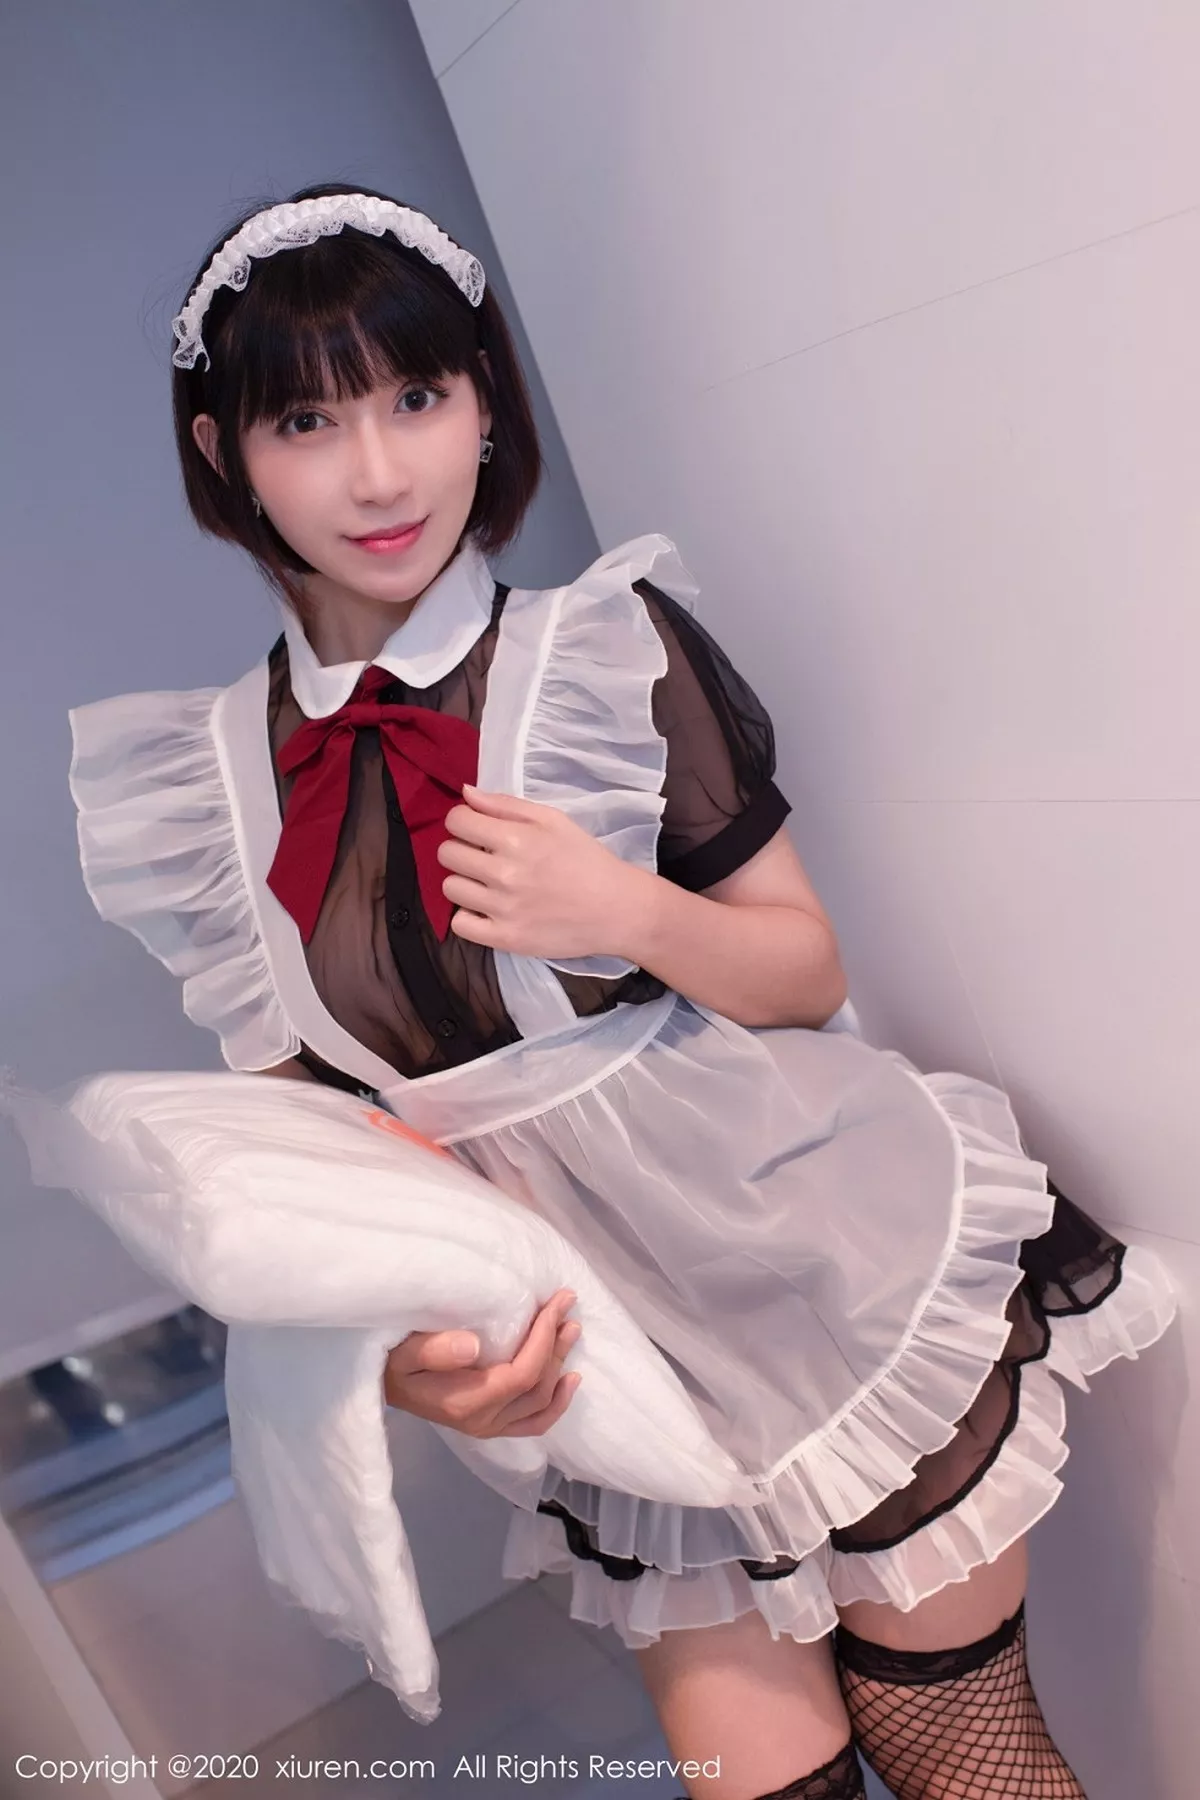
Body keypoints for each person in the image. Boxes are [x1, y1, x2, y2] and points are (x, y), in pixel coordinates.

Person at [71, 180, 1173, 1800]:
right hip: (617, 1373)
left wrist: (624, 909)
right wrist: (397, 1360)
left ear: (484, 400)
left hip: (808, 1265)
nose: (380, 472)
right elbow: (320, 1173)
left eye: (417, 397)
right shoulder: (207, 786)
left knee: (954, 1747)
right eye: (307, 420)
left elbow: (802, 972)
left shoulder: (600, 650)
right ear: (221, 451)